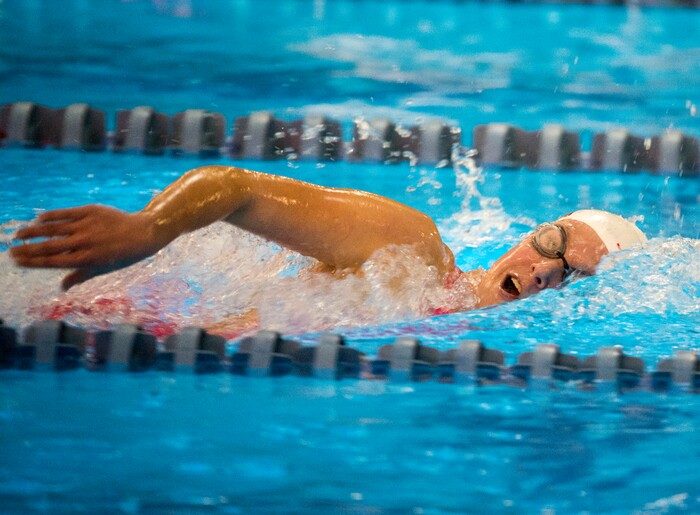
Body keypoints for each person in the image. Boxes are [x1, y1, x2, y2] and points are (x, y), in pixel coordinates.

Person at [10, 165, 647, 319]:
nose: (543, 271)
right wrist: (147, 229)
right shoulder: (416, 252)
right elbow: (233, 187)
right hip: (102, 318)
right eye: (553, 242)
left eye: (570, 277)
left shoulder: (460, 336)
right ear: (524, 231)